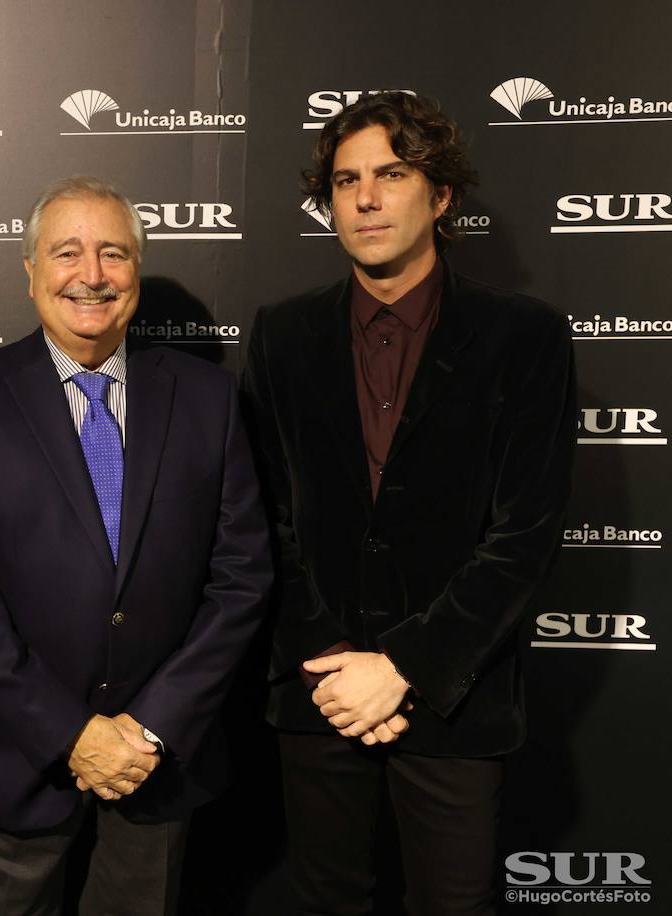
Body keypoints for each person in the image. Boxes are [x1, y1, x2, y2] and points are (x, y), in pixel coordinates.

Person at [241, 92, 576, 914]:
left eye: (391, 174)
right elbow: (261, 521)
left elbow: (523, 535)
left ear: (443, 195)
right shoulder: (281, 335)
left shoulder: (524, 336)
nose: (364, 198)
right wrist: (334, 668)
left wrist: (403, 670)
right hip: (318, 694)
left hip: (456, 698)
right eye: (346, 180)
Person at [0, 176, 271, 915]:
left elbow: (241, 578)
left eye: (113, 253)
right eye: (67, 252)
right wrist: (69, 732)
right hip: (16, 754)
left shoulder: (207, 399)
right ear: (31, 270)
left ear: (135, 269)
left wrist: (148, 729)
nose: (92, 275)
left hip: (157, 761)